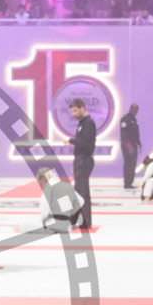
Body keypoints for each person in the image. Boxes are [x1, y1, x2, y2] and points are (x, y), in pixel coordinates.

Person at [67, 98, 96, 231]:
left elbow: (84, 143)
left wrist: (72, 141)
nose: (73, 114)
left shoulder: (88, 124)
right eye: (72, 111)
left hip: (84, 160)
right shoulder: (82, 123)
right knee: (79, 191)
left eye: (75, 110)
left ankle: (84, 222)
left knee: (82, 191)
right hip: (80, 159)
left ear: (82, 108)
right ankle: (74, 220)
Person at [35, 167, 83, 233]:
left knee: (25, 227)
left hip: (52, 225)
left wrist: (42, 221)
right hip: (66, 224)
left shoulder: (48, 188)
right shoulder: (66, 186)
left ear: (43, 178)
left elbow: (44, 211)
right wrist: (71, 212)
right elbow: (81, 201)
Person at [119, 103, 141, 189]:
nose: (136, 111)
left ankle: (130, 182)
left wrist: (138, 142)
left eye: (137, 110)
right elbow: (124, 134)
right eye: (135, 109)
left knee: (132, 164)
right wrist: (128, 145)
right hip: (128, 145)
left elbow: (135, 133)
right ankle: (127, 183)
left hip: (133, 144)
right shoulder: (126, 119)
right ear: (131, 108)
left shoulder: (134, 119)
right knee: (128, 163)